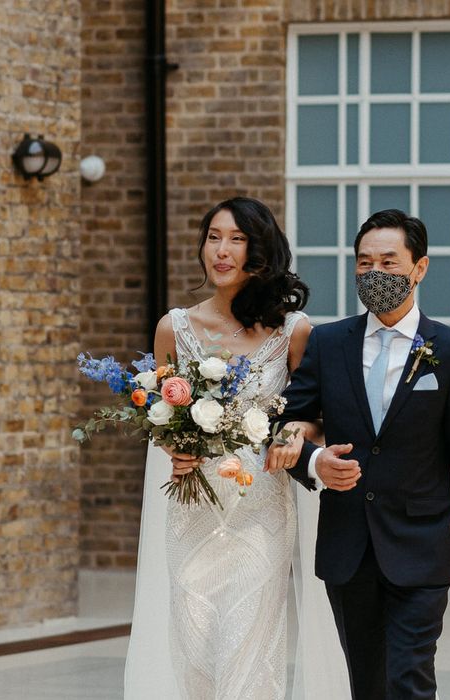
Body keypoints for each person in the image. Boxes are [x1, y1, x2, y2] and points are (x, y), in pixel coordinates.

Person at [123, 197, 349, 699]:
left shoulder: (294, 330)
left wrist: (297, 431)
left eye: (237, 239)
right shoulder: (174, 327)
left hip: (260, 508)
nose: (221, 251)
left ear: (260, 250)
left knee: (249, 644)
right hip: (193, 509)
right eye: (214, 237)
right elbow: (158, 412)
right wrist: (174, 448)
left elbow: (313, 413)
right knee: (196, 645)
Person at [279, 209, 450, 700]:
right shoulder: (328, 342)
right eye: (363, 263)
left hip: (419, 548)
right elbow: (281, 425)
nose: (374, 274)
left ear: (419, 268)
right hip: (347, 549)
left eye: (389, 263)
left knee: (409, 681)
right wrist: (314, 462)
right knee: (368, 685)